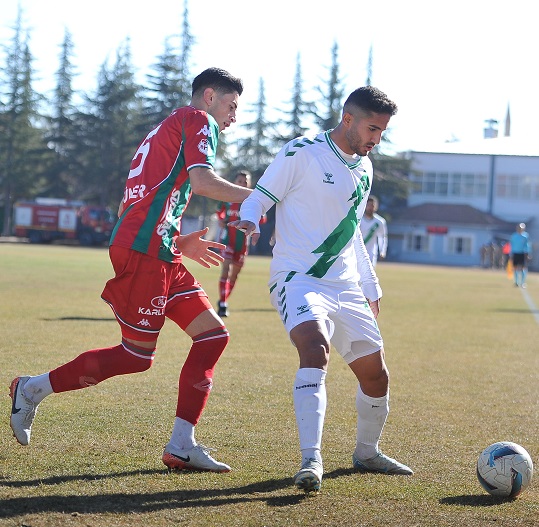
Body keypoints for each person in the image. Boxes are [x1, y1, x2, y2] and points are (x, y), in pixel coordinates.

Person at [9, 67, 253, 473]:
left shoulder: (164, 130)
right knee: (137, 356)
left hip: (158, 252)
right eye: (231, 106)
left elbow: (134, 204)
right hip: (144, 254)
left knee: (212, 337)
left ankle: (181, 444)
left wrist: (177, 242)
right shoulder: (198, 120)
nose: (232, 117)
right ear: (209, 96)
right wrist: (266, 196)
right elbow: (205, 182)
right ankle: (32, 388)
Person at [230, 86, 413, 492]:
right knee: (315, 348)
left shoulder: (364, 169)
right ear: (347, 119)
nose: (376, 139)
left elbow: (350, 236)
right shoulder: (302, 152)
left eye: (382, 132)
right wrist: (250, 220)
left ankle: (367, 452)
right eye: (372, 128)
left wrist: (370, 283)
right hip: (298, 276)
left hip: (345, 284)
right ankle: (311, 460)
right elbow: (260, 197)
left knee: (376, 376)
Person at [215, 170, 266, 317]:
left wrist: (253, 220)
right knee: (226, 270)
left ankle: (223, 300)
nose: (243, 184)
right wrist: (221, 220)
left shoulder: (254, 200)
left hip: (243, 243)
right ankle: (223, 304)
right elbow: (219, 211)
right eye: (240, 181)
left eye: (245, 182)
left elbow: (263, 218)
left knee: (235, 275)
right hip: (227, 241)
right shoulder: (227, 197)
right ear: (235, 182)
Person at [360, 195, 388, 266]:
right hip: (357, 253)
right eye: (368, 205)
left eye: (372, 205)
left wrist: (382, 251)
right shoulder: (359, 220)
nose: (370, 208)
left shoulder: (379, 222)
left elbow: (382, 237)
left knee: (369, 276)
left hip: (371, 254)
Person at [510, 223, 532, 288]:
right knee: (515, 268)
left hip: (523, 253)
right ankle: (516, 282)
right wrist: (511, 253)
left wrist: (528, 253)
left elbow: (528, 245)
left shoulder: (525, 236)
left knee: (523, 268)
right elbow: (511, 245)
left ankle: (523, 282)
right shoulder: (514, 236)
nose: (520, 229)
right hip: (515, 253)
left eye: (521, 228)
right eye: (519, 228)